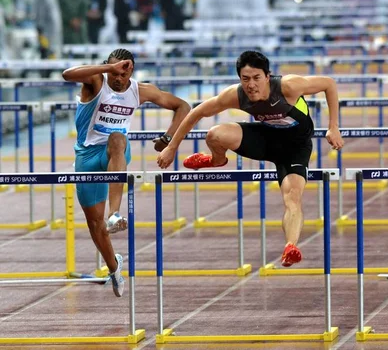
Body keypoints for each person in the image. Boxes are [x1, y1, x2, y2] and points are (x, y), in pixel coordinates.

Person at [156, 50, 344, 268]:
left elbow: (329, 83)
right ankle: (216, 160)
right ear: (239, 79)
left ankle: (290, 246)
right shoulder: (236, 95)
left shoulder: (288, 86)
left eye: (256, 78)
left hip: (295, 148)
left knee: (292, 197)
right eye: (245, 79)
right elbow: (197, 113)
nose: (251, 85)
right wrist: (171, 147)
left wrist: (333, 127)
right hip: (264, 139)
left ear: (267, 76)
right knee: (215, 134)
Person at [62, 48, 191, 297]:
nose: (118, 77)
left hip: (115, 153)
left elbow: (183, 106)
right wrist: (107, 69)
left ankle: (115, 213)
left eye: (123, 71)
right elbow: (67, 74)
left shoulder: (140, 90)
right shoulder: (97, 82)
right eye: (115, 71)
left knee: (118, 139)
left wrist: (168, 137)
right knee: (94, 224)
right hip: (87, 157)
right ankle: (113, 267)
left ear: (131, 70)